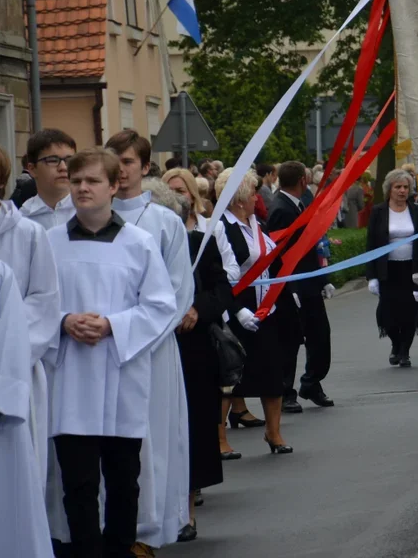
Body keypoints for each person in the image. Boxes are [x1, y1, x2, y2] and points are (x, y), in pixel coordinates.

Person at [46, 148, 177, 558]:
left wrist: (111, 325)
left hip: (122, 372)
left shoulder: (138, 244)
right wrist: (65, 320)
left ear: (114, 186)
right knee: (79, 483)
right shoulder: (49, 242)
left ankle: (120, 549)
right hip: (70, 377)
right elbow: (33, 303)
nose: (82, 188)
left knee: (124, 480)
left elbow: (160, 305)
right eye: (77, 180)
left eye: (92, 181)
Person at [105, 130, 194, 555]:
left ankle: (149, 528)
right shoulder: (87, 218)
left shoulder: (165, 222)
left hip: (152, 351)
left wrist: (136, 337)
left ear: (144, 166)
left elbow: (178, 293)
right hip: (100, 351)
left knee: (152, 439)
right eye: (114, 162)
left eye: (127, 162)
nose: (120, 171)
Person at [167, 190, 230, 543]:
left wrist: (196, 310)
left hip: (192, 343)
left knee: (190, 425)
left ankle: (186, 510)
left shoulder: (199, 242)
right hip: (152, 344)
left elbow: (221, 288)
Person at [0, 147, 62, 483]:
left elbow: (44, 300)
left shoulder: (27, 233)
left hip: (16, 367)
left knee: (18, 476)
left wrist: (6, 341)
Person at [217, 168, 292, 455]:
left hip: (265, 310)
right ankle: (220, 440)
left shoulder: (256, 223)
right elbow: (220, 276)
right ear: (238, 199)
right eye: (252, 192)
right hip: (237, 313)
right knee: (229, 380)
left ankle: (274, 434)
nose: (256, 197)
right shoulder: (222, 227)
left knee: (273, 374)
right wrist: (237, 311)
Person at [268, 161, 335, 410]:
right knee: (292, 340)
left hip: (309, 282)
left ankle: (311, 382)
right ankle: (286, 390)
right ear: (303, 181)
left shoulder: (296, 205)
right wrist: (290, 288)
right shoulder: (281, 209)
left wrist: (323, 278)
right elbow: (278, 253)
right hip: (294, 287)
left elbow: (308, 246)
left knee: (319, 336)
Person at [366, 168, 418, 368]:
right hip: (388, 269)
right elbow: (371, 244)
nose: (402, 191)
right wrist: (372, 276)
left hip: (411, 270)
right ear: (389, 189)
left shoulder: (415, 210)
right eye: (398, 187)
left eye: (405, 187)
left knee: (410, 311)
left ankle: (404, 352)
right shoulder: (378, 211)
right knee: (388, 312)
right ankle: (395, 342)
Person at [163, 168, 241, 282]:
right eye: (169, 191)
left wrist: (207, 281)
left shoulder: (214, 228)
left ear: (193, 196)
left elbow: (233, 269)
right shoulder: (157, 231)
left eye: (180, 191)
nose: (174, 196)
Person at [21, 129, 77, 229]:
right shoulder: (23, 217)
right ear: (32, 169)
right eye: (52, 160)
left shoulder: (90, 210)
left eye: (69, 160)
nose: (63, 167)